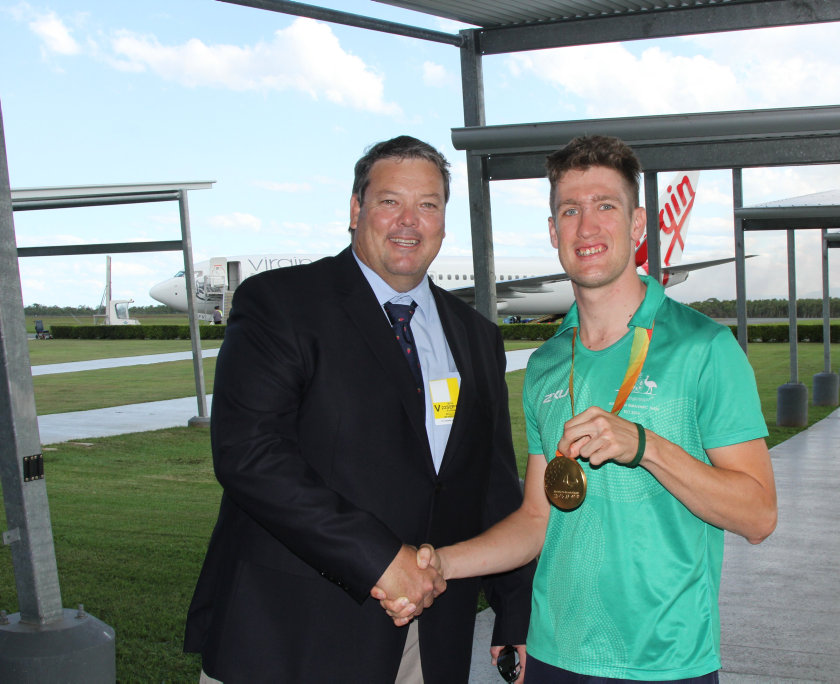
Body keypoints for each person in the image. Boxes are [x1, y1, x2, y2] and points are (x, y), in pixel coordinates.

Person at [389, 135, 777, 682]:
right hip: (554, 656)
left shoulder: (705, 349)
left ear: (638, 225)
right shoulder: (548, 365)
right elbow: (535, 518)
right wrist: (440, 564)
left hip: (665, 661)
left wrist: (645, 446)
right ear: (554, 232)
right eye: (570, 210)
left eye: (605, 207)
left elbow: (759, 515)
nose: (586, 228)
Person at [184, 135, 534, 683]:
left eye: (428, 205)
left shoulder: (476, 337)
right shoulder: (281, 304)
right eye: (390, 201)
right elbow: (249, 455)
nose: (409, 222)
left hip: (429, 641)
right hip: (291, 638)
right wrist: (380, 559)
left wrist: (516, 611)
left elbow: (490, 483)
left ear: (444, 219)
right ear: (356, 210)